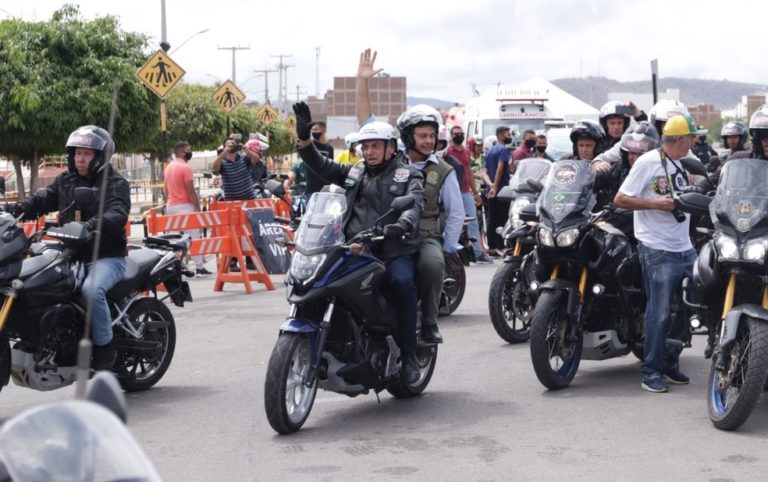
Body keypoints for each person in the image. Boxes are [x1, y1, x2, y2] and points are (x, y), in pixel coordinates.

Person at [292, 101, 425, 384]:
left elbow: (415, 204)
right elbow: (320, 166)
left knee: (401, 283)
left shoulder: (407, 174)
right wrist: (305, 140)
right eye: (365, 147)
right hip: (354, 249)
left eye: (375, 146)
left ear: (391, 147)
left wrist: (403, 224)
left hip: (391, 250)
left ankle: (410, 355)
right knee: (322, 283)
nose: (369, 152)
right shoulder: (355, 172)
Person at [16, 126, 130, 370]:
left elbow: (118, 212)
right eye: (78, 153)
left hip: (106, 256)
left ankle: (104, 347)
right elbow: (43, 198)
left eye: (87, 154)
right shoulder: (66, 180)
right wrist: (18, 209)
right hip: (69, 253)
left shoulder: (115, 183)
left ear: (100, 157)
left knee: (91, 290)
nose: (80, 159)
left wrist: (91, 224)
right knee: (33, 281)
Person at [614, 114, 704, 393]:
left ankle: (669, 360)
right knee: (660, 313)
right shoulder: (647, 162)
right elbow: (620, 199)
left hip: (684, 247)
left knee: (693, 306)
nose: (695, 140)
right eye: (691, 136)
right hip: (657, 248)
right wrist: (655, 205)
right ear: (677, 139)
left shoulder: (682, 161)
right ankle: (651, 371)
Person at [164, 141, 211, 277]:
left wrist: (169, 201)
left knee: (175, 238)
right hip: (185, 206)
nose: (190, 152)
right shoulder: (185, 168)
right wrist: (197, 208)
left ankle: (175, 266)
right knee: (193, 237)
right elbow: (191, 191)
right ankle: (199, 267)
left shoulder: (168, 167)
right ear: (181, 152)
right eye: (188, 150)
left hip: (171, 205)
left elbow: (165, 189)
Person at [447, 125, 491, 263]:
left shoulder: (466, 151)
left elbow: (469, 173)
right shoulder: (447, 152)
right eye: (456, 133)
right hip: (453, 192)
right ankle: (452, 253)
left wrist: (476, 193)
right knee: (453, 222)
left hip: (466, 192)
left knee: (473, 222)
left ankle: (478, 253)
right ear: (451, 135)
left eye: (461, 133)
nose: (459, 135)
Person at [593, 121, 660, 213]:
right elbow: (591, 182)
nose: (636, 158)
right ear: (625, 153)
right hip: (617, 224)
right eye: (632, 152)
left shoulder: (661, 174)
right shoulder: (618, 169)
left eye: (641, 154)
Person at [485, 126, 514, 255]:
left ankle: (491, 247)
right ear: (501, 135)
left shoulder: (490, 151)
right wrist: (496, 187)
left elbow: (484, 172)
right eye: (508, 134)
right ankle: (501, 246)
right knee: (502, 218)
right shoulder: (503, 149)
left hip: (491, 189)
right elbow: (500, 168)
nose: (510, 136)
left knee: (492, 219)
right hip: (502, 190)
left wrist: (490, 185)